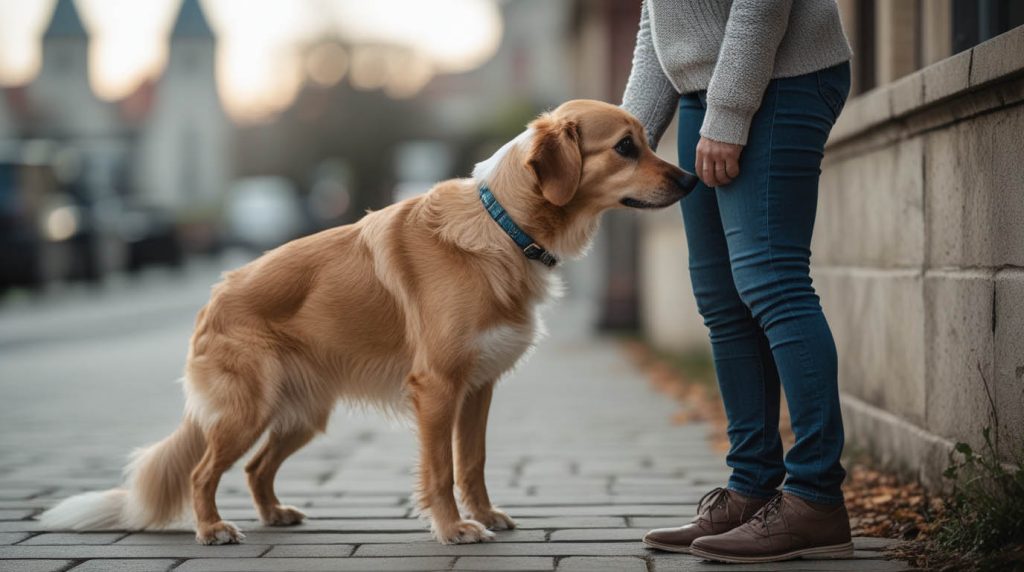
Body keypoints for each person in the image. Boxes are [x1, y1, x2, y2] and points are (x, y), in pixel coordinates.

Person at [622, 0, 854, 564]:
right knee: (721, 299)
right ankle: (751, 487)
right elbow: (659, 20)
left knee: (772, 281)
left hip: (783, 77)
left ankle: (815, 497)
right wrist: (625, 144)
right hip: (705, 92)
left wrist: (727, 113)